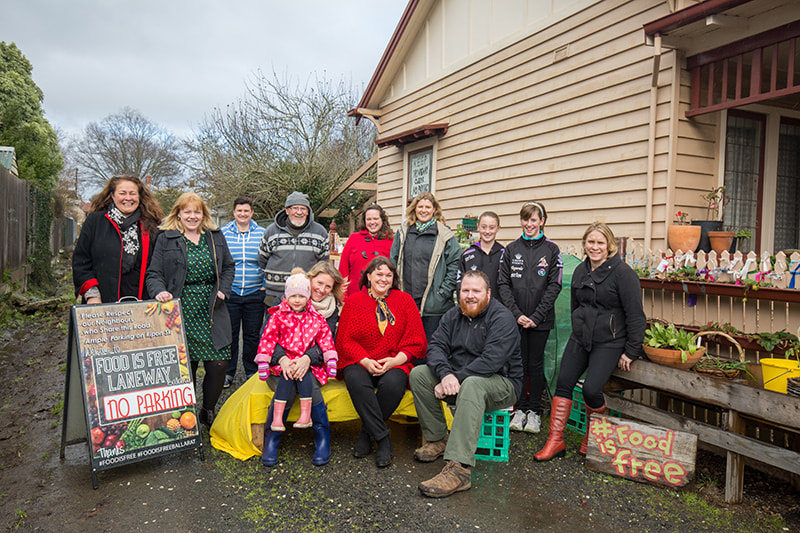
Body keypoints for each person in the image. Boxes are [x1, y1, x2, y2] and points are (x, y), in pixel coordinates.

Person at [534, 222, 646, 461]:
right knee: (563, 383)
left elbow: (636, 315)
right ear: (585, 244)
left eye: (600, 243)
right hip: (581, 337)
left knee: (591, 390)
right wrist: (578, 327)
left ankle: (592, 435)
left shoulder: (623, 274)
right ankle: (555, 441)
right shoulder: (580, 271)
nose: (595, 247)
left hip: (610, 341)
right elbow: (576, 305)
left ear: (609, 246)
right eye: (591, 242)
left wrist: (631, 351)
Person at [409, 270, 522, 498]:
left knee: (472, 384)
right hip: (462, 378)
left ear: (488, 294)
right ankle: (437, 438)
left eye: (476, 291)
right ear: (459, 293)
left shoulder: (502, 318)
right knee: (419, 374)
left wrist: (455, 377)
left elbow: (490, 362)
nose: (470, 296)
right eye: (465, 291)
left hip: (501, 383)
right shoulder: (453, 315)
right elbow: (436, 347)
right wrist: (445, 375)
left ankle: (459, 469)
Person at [145, 192, 235, 427]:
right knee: (187, 366)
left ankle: (208, 409)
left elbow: (228, 266)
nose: (193, 216)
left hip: (212, 307)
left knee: (219, 363)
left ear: (204, 214)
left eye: (197, 212)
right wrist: (159, 291)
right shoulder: (167, 238)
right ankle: (187, 414)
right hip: (180, 307)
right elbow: (153, 273)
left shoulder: (215, 236)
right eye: (188, 212)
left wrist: (223, 289)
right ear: (179, 214)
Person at [335, 256, 427, 468]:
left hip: (394, 361)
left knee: (393, 383)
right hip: (361, 361)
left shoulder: (405, 301)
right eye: (379, 274)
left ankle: (366, 435)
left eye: (388, 275)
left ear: (393, 278)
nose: (383, 279)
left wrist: (395, 361)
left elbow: (417, 341)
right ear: (368, 276)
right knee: (355, 380)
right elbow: (344, 340)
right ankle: (384, 439)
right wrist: (366, 361)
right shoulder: (354, 301)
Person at [497, 201, 562, 434]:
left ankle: (534, 411)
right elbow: (503, 283)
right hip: (516, 320)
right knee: (517, 364)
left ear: (542, 221)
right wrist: (517, 314)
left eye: (534, 219)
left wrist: (535, 316)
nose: (529, 224)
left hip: (540, 321)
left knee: (535, 364)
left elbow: (554, 286)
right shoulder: (511, 249)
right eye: (525, 219)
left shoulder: (552, 250)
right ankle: (519, 410)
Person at [255, 270, 337, 438]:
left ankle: (320, 434)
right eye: (319, 283)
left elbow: (327, 339)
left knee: (306, 379)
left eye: (328, 286)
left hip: (309, 365)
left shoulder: (317, 316)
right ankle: (274, 431)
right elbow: (267, 338)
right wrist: (270, 360)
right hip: (282, 364)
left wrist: (327, 360)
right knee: (287, 381)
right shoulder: (279, 313)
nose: (322, 289)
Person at [73, 175, 163, 303]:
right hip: (102, 303)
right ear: (113, 196)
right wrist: (92, 295)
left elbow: (159, 266)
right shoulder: (96, 221)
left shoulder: (152, 227)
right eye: (122, 193)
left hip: (142, 306)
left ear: (139, 197)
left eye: (133, 193)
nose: (128, 198)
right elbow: (81, 261)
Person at [390, 192, 461, 345]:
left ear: (434, 209)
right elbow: (393, 261)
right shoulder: (404, 232)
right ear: (414, 209)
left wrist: (443, 292)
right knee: (407, 345)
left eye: (428, 207)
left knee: (431, 346)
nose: (424, 210)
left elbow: (455, 263)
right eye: (420, 206)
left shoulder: (444, 235)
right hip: (407, 301)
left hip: (433, 305)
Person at [221, 197, 266, 388]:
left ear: (252, 213)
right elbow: (220, 262)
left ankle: (250, 370)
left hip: (254, 292)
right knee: (229, 335)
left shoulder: (262, 234)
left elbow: (267, 260)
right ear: (234, 213)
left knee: (252, 335)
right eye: (239, 211)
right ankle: (228, 372)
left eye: (246, 211)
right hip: (231, 293)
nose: (243, 214)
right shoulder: (223, 233)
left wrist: (264, 284)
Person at [257, 191, 329, 306]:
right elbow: (262, 259)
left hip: (306, 295)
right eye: (295, 208)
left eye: (303, 209)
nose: (299, 212)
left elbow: (323, 263)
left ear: (308, 211)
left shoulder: (320, 232)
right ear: (287, 210)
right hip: (276, 295)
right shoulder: (271, 231)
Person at [338, 204, 393, 299]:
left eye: (375, 219)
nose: (372, 222)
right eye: (369, 219)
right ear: (364, 221)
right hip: (355, 293)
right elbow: (343, 268)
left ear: (382, 220)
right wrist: (342, 294)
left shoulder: (391, 240)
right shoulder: (354, 238)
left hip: (382, 295)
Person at [456, 211, 504, 296]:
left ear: (498, 228)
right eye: (484, 227)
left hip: (498, 306)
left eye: (491, 227)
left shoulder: (504, 254)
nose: (487, 231)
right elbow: (460, 284)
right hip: (473, 305)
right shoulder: (467, 255)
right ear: (478, 227)